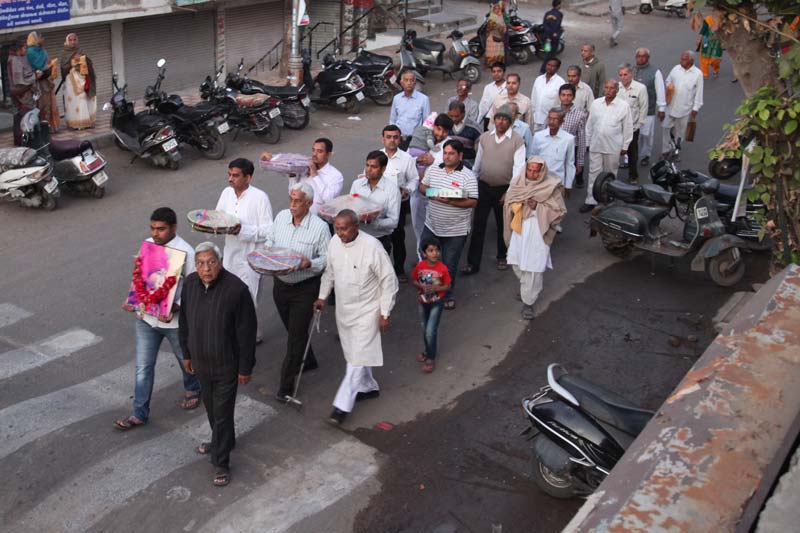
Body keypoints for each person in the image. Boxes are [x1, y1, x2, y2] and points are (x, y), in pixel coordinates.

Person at [114, 207, 203, 431]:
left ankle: (193, 388)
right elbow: (140, 278)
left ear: (174, 227)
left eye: (161, 229)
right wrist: (132, 299)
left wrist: (177, 305)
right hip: (146, 319)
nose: (155, 233)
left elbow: (195, 288)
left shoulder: (186, 252)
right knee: (143, 367)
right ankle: (139, 413)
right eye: (153, 228)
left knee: (184, 360)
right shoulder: (147, 244)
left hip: (174, 323)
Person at [180, 242, 257, 487]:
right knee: (213, 410)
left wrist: (245, 368)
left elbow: (247, 333)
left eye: (211, 262)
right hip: (201, 363)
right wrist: (186, 354)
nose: (206, 268)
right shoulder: (190, 284)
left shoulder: (237, 290)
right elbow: (184, 322)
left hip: (226, 366)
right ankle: (224, 441)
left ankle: (221, 462)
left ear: (220, 263)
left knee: (222, 415)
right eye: (201, 263)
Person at [314, 210, 399, 426]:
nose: (340, 233)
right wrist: (322, 296)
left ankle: (341, 406)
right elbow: (329, 272)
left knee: (357, 358)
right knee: (354, 353)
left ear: (356, 227)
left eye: (344, 228)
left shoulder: (372, 247)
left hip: (368, 310)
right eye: (337, 228)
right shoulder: (334, 243)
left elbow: (389, 281)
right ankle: (368, 387)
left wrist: (385, 312)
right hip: (344, 310)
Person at [266, 182, 331, 402]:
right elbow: (270, 241)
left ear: (309, 204)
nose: (292, 205)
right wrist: (267, 253)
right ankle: (308, 359)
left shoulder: (320, 228)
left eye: (298, 201)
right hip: (280, 286)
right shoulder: (281, 217)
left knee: (295, 338)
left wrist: (309, 263)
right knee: (294, 330)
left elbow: (327, 259)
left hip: (305, 288)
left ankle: (285, 387)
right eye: (291, 200)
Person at [215, 158, 273, 342]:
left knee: (248, 300)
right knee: (227, 297)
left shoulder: (260, 198)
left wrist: (242, 230)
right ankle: (234, 334)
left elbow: (268, 230)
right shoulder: (226, 193)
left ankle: (250, 336)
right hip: (230, 256)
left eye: (235, 175)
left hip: (251, 259)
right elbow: (218, 217)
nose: (230, 179)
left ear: (248, 178)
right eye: (229, 175)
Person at [463, 105, 525, 275]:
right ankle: (473, 263)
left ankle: (502, 256)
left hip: (504, 189)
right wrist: (472, 184)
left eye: (505, 119)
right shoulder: (485, 138)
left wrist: (509, 192)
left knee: (503, 224)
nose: (500, 122)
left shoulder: (517, 140)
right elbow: (477, 164)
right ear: (494, 120)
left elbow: (519, 169)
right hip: (483, 187)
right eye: (498, 118)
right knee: (478, 224)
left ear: (510, 122)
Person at [503, 156, 566, 320]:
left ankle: (528, 302)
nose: (532, 174)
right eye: (529, 170)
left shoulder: (551, 186)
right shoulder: (518, 183)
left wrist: (537, 207)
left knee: (533, 267)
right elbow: (509, 201)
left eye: (536, 171)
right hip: (519, 229)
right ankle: (526, 288)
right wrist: (516, 205)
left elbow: (559, 211)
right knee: (516, 261)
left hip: (538, 231)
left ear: (542, 172)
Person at [419, 140, 479, 310]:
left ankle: (447, 294)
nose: (447, 156)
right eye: (445, 153)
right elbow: (422, 186)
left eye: (451, 153)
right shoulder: (434, 169)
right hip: (432, 225)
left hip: (456, 231)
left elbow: (473, 201)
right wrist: (431, 193)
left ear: (460, 155)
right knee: (428, 260)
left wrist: (451, 202)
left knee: (449, 264)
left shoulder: (468, 176)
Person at [580, 79, 632, 213]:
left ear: (617, 90)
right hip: (596, 144)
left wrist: (625, 146)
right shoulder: (596, 103)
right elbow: (590, 125)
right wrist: (587, 142)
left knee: (610, 174)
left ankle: (608, 200)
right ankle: (591, 200)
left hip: (613, 146)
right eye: (606, 88)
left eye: (612, 88)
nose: (609, 91)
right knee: (593, 173)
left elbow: (627, 127)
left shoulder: (623, 106)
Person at [262, 138, 344, 215]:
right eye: (313, 150)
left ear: (328, 154)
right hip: (298, 216)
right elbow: (292, 192)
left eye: (319, 151)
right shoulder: (304, 167)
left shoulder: (335, 175)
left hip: (319, 219)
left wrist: (315, 176)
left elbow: (329, 200)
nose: (314, 154)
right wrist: (292, 174)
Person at [381, 124, 419, 283]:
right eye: (388, 137)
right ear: (383, 139)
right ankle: (381, 272)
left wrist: (407, 190)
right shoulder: (376, 156)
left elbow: (414, 179)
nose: (392, 140)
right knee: (380, 238)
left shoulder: (406, 159)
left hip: (399, 204)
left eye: (395, 137)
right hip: (379, 205)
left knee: (397, 237)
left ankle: (399, 270)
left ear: (400, 139)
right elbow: (366, 174)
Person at [413, 114, 454, 253]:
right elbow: (409, 156)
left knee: (435, 229)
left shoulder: (450, 145)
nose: (440, 134)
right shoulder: (424, 137)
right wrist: (417, 160)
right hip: (418, 192)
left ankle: (435, 258)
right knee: (418, 227)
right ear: (434, 127)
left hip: (436, 194)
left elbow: (453, 165)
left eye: (445, 131)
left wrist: (433, 162)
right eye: (438, 129)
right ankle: (422, 257)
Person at [410, 237, 452, 373]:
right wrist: (421, 285)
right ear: (424, 253)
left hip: (437, 303)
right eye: (431, 250)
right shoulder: (420, 266)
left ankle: (430, 358)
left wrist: (436, 288)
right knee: (425, 329)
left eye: (437, 250)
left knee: (430, 331)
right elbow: (414, 280)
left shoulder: (442, 268)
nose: (435, 253)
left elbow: (448, 286)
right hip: (423, 302)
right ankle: (428, 351)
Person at [349, 151, 401, 253]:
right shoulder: (357, 185)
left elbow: (394, 221)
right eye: (367, 165)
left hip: (379, 240)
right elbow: (350, 207)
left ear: (383, 169)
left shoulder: (392, 190)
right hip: (357, 237)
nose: (368, 169)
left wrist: (373, 222)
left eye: (373, 167)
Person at [662, 51, 703, 159]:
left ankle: (676, 151)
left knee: (680, 132)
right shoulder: (676, 69)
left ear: (691, 61)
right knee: (666, 128)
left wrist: (696, 108)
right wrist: (669, 85)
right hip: (670, 106)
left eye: (684, 59)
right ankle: (666, 150)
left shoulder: (697, 74)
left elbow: (699, 93)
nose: (681, 61)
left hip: (685, 108)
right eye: (681, 59)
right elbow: (668, 80)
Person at [633, 48, 667, 167]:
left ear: (648, 58)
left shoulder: (655, 72)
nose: (640, 59)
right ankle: (629, 159)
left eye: (643, 56)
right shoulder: (632, 70)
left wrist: (661, 109)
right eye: (638, 56)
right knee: (630, 135)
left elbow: (660, 90)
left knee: (645, 135)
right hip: (632, 110)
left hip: (648, 110)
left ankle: (645, 155)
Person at [531, 108, 576, 195]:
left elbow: (569, 163)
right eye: (550, 118)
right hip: (539, 180)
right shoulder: (538, 136)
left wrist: (568, 185)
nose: (551, 122)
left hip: (557, 182)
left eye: (555, 119)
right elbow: (533, 158)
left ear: (562, 121)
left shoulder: (568, 139)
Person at [617, 64, 648, 183]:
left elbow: (643, 107)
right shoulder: (617, 87)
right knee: (614, 151)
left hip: (632, 127)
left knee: (632, 152)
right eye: (621, 75)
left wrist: (639, 124)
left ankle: (633, 175)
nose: (623, 77)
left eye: (625, 74)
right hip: (617, 127)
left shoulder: (640, 88)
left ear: (631, 74)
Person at [60, 33, 97, 130]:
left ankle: (86, 122)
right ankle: (75, 123)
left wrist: (82, 58)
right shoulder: (64, 53)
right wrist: (73, 62)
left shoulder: (80, 51)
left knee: (84, 99)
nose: (73, 42)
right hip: (71, 81)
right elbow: (64, 68)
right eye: (70, 40)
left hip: (82, 79)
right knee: (74, 101)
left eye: (74, 39)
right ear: (67, 41)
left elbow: (89, 63)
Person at [26, 31, 60, 130]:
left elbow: (47, 63)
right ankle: (41, 129)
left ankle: (50, 126)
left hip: (46, 81)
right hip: (36, 83)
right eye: (40, 37)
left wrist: (50, 67)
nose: (43, 39)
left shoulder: (42, 50)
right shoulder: (29, 52)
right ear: (35, 39)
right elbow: (30, 67)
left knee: (48, 105)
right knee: (40, 106)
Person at [7, 40, 36, 146]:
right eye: (24, 48)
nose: (26, 50)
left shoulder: (18, 59)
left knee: (21, 115)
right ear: (19, 50)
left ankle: (22, 138)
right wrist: (35, 76)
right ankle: (22, 139)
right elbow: (20, 80)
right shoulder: (15, 60)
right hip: (21, 93)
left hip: (21, 92)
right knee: (23, 115)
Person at [390, 70, 430, 145]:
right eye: (406, 80)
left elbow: (426, 122)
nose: (409, 83)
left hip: (416, 140)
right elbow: (393, 120)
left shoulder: (423, 99)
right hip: (399, 139)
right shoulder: (396, 98)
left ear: (415, 83)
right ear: (401, 83)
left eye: (411, 80)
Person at [559, 83, 587, 188]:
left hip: (571, 150)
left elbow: (581, 139)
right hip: (555, 147)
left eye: (569, 95)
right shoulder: (554, 111)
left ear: (574, 97)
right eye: (563, 95)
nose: (566, 98)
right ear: (559, 96)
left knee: (568, 178)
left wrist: (580, 162)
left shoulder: (579, 115)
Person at [531, 58, 566, 132]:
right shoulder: (538, 79)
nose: (550, 67)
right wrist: (533, 114)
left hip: (550, 121)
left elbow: (562, 103)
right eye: (548, 65)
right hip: (536, 119)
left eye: (553, 66)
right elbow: (533, 98)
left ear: (557, 68)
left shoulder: (560, 82)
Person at [447, 100, 482, 165]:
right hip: (449, 163)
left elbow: (480, 150)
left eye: (457, 116)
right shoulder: (446, 125)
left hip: (469, 164)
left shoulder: (474, 127)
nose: (454, 119)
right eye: (451, 116)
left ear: (463, 113)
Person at [478, 62, 507, 131]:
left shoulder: (508, 87)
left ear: (504, 73)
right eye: (494, 72)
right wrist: (478, 120)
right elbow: (483, 105)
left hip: (504, 119)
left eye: (499, 71)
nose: (496, 74)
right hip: (489, 119)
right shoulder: (488, 87)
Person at [539, 0, 565, 74]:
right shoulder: (559, 14)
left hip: (547, 36)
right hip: (554, 37)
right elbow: (557, 25)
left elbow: (545, 25)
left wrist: (547, 36)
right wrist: (555, 33)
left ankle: (551, 69)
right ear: (558, 5)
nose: (561, 6)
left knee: (549, 53)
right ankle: (543, 70)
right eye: (560, 4)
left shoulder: (547, 13)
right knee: (551, 54)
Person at [697, 14, 724, 79]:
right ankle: (704, 73)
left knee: (716, 60)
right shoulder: (708, 20)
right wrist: (699, 39)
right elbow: (703, 30)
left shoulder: (724, 20)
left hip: (717, 43)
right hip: (706, 41)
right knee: (704, 58)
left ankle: (716, 70)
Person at [484, 0, 507, 67]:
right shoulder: (492, 17)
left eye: (498, 9)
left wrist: (502, 29)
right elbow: (490, 26)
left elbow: (503, 25)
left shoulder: (500, 16)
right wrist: (499, 28)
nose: (497, 10)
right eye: (495, 9)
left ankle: (499, 64)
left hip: (499, 37)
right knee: (492, 52)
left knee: (498, 52)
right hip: (492, 37)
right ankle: (491, 64)